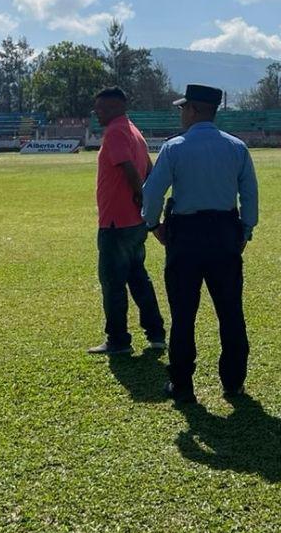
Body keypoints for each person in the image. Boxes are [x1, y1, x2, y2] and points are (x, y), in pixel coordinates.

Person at [141, 83, 258, 404]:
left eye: (183, 108)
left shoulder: (175, 148)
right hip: (224, 233)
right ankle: (233, 382)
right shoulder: (237, 148)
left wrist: (154, 226)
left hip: (186, 235)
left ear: (193, 109)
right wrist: (244, 231)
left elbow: (152, 194)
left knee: (183, 315)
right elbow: (249, 195)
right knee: (231, 312)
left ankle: (182, 384)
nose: (181, 114)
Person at [88, 86, 167, 355]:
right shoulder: (134, 131)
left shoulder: (115, 132)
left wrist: (140, 195)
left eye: (99, 107)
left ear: (113, 107)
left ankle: (118, 340)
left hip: (116, 223)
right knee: (138, 278)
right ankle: (156, 333)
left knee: (113, 283)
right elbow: (150, 168)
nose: (96, 112)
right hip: (133, 222)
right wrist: (148, 199)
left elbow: (130, 169)